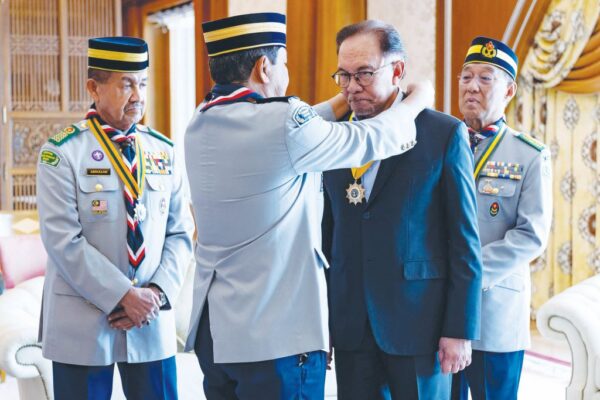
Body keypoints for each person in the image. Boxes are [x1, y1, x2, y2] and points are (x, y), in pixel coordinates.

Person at [184, 12, 433, 400]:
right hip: (276, 337)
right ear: (264, 67)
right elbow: (372, 138)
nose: (286, 73)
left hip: (217, 334)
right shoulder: (284, 123)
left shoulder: (200, 122)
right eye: (283, 63)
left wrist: (346, 94)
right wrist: (420, 98)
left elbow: (287, 134)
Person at [321, 20, 483, 399]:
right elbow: (327, 236)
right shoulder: (333, 137)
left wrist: (459, 329)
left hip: (419, 323)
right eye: (343, 75)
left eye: (364, 73)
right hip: (351, 323)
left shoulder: (440, 133)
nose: (351, 87)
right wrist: (322, 323)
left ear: (397, 71)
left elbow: (464, 241)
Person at [36, 36, 194, 400]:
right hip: (83, 324)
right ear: (94, 88)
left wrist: (155, 294)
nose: (138, 96)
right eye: (126, 85)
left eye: (143, 84)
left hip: (150, 318)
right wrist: (123, 295)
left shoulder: (164, 151)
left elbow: (180, 233)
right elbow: (63, 241)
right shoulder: (62, 153)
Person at [450, 36, 553, 400]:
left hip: (495, 311)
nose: (472, 87)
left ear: (509, 90)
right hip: (441, 313)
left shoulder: (529, 155)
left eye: (485, 78)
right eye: (466, 77)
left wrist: (468, 274)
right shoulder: (440, 143)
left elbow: (530, 235)